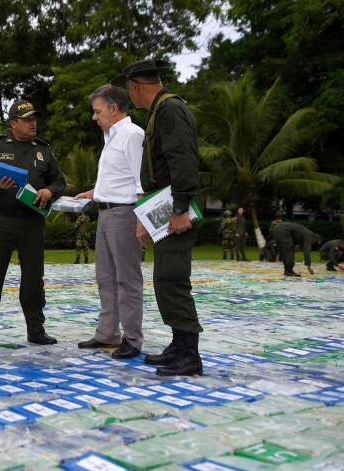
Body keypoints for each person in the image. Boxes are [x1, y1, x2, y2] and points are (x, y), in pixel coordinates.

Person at [113, 58, 203, 376]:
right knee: (166, 277)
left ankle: (189, 353)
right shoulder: (160, 111)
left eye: (129, 89)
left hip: (176, 207)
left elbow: (182, 162)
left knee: (173, 279)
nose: (130, 95)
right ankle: (180, 345)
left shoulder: (169, 110)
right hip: (166, 206)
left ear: (136, 86)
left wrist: (179, 210)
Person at [0, 99, 66, 351]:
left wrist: (49, 191)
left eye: (34, 119)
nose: (33, 123)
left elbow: (59, 181)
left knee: (34, 280)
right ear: (13, 123)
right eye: (27, 120)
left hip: (32, 222)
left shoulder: (44, 150)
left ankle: (36, 331)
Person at [75, 85, 144, 359]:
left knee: (127, 280)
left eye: (98, 111)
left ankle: (133, 339)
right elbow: (120, 177)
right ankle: (107, 333)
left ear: (114, 109)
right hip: (105, 213)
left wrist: (140, 219)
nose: (95, 117)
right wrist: (95, 192)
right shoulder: (111, 136)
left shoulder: (131, 135)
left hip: (125, 215)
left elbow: (140, 182)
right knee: (105, 278)